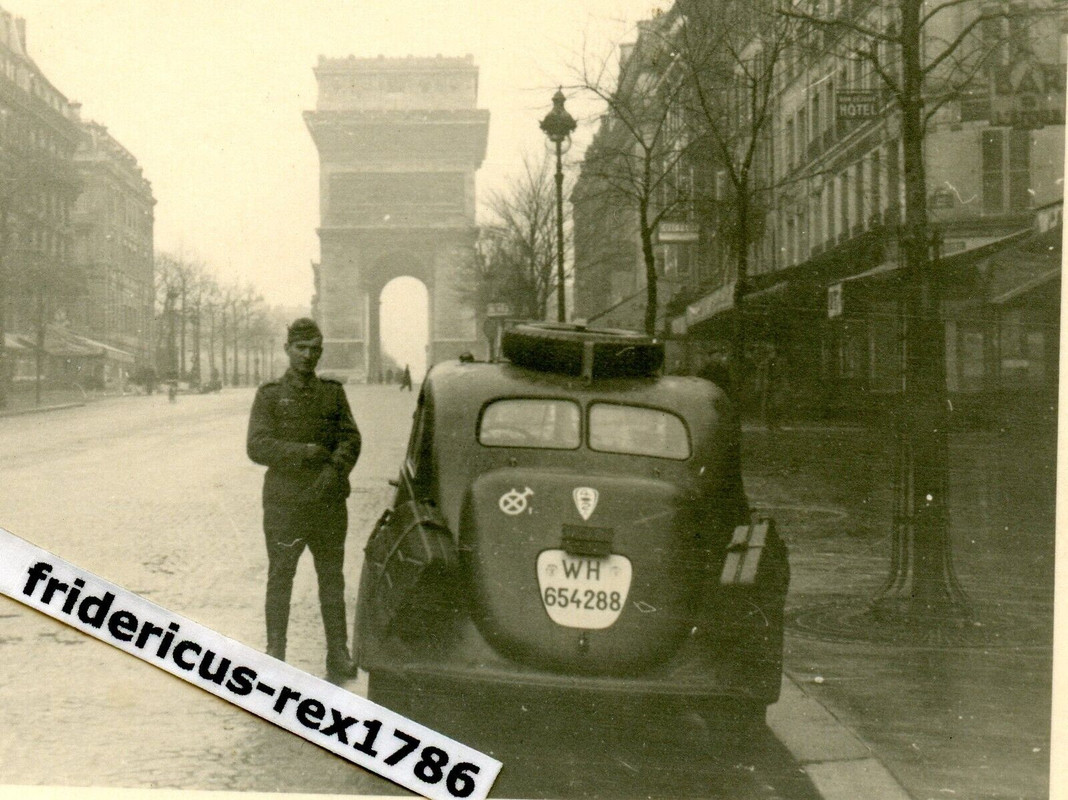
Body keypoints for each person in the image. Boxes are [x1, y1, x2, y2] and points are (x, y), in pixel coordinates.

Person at [246, 318, 362, 683]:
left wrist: (335, 471)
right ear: (287, 349)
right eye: (301, 348)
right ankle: (275, 652)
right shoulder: (269, 395)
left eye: (314, 349)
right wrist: (306, 453)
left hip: (327, 502)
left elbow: (351, 438)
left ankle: (338, 653)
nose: (308, 356)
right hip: (285, 505)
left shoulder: (333, 393)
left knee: (332, 579)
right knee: (281, 577)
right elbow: (257, 445)